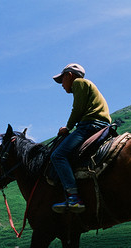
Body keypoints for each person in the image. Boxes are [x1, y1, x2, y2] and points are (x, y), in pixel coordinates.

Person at [50, 63, 111, 213]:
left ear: (69, 75)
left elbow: (77, 108)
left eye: (62, 80)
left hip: (90, 125)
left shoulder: (79, 83)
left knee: (58, 155)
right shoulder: (87, 85)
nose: (62, 85)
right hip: (101, 124)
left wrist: (68, 127)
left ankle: (73, 198)